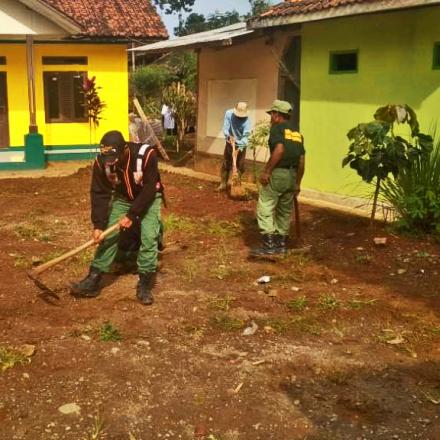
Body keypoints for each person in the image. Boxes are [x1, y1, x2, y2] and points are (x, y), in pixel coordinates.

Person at [71, 130, 164, 305]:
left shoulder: (146, 155)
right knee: (108, 236)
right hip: (123, 198)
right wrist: (98, 225)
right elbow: (99, 193)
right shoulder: (101, 163)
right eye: (107, 159)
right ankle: (94, 278)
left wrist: (132, 214)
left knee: (149, 236)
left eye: (114, 158)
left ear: (124, 150)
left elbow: (150, 187)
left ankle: (144, 283)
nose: (110, 163)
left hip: (149, 197)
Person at [251, 100, 305, 256]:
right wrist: (297, 183)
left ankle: (269, 246)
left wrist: (267, 171)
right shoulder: (297, 133)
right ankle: (281, 245)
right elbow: (301, 160)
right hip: (292, 175)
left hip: (279, 173)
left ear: (276, 115)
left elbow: (279, 150)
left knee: (265, 206)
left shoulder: (277, 129)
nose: (270, 118)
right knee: (284, 210)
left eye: (271, 114)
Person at [216, 102, 251, 192]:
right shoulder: (229, 113)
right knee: (226, 162)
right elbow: (225, 128)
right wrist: (228, 136)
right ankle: (223, 184)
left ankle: (236, 185)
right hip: (230, 141)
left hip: (241, 144)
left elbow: (245, 137)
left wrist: (239, 148)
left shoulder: (247, 121)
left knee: (239, 165)